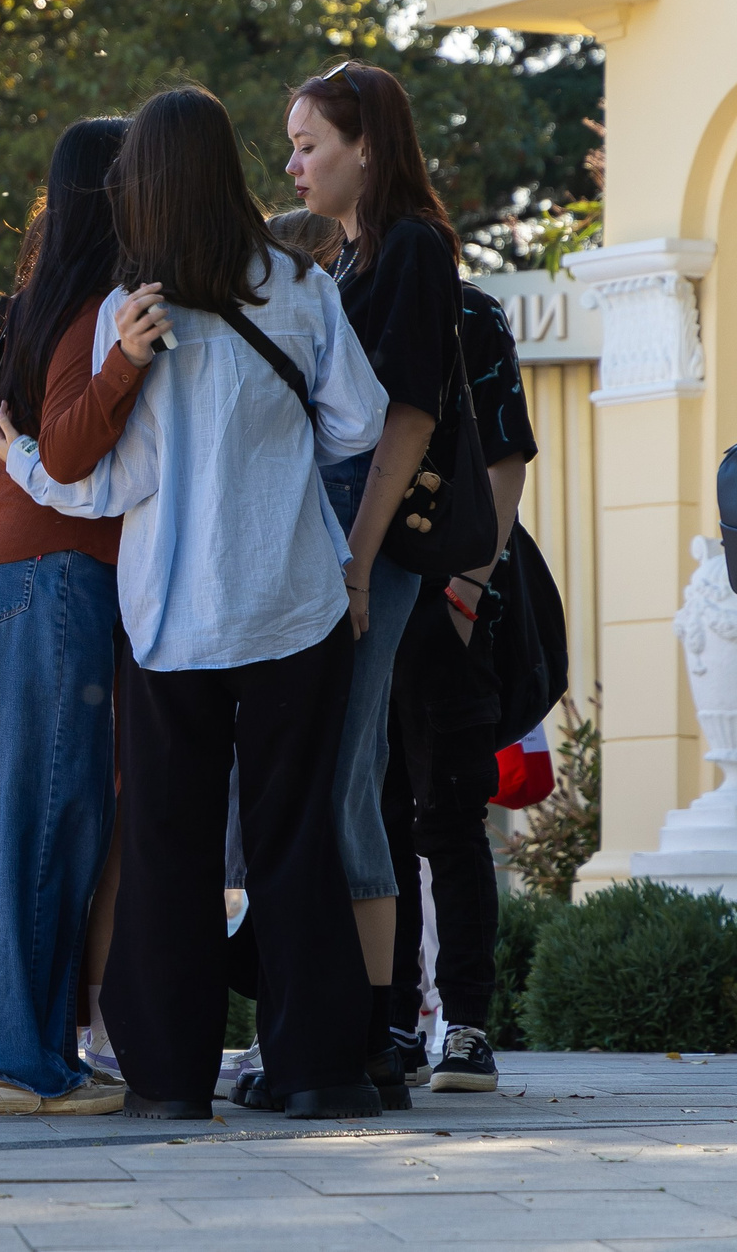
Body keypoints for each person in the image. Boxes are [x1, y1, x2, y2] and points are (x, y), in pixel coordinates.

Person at [7, 84, 387, 1118]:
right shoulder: (299, 286)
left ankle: (172, 1077)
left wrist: (28, 466)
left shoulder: (130, 312)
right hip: (295, 603)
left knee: (167, 845)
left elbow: (113, 481)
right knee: (293, 835)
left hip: (172, 616)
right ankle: (318, 1069)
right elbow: (357, 424)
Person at [0, 116, 140, 1112]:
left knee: (39, 821)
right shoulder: (94, 313)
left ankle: (28, 1054)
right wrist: (125, 366)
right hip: (47, 578)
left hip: (11, 576)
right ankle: (19, 1064)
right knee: (48, 821)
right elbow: (65, 452)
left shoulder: (38, 302)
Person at [282, 59, 459, 1097]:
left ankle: (373, 1032)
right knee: (329, 770)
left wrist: (355, 559)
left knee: (348, 770)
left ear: (367, 146)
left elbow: (409, 416)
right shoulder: (345, 255)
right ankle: (344, 1022)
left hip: (367, 544)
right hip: (333, 540)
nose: (294, 166)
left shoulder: (411, 248)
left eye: (309, 145)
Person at [381, 274, 534, 1094]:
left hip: (446, 604)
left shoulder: (466, 309)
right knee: (378, 816)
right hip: (360, 602)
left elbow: (506, 459)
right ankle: (395, 1021)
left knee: (449, 814)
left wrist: (468, 592)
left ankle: (465, 1023)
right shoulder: (336, 289)